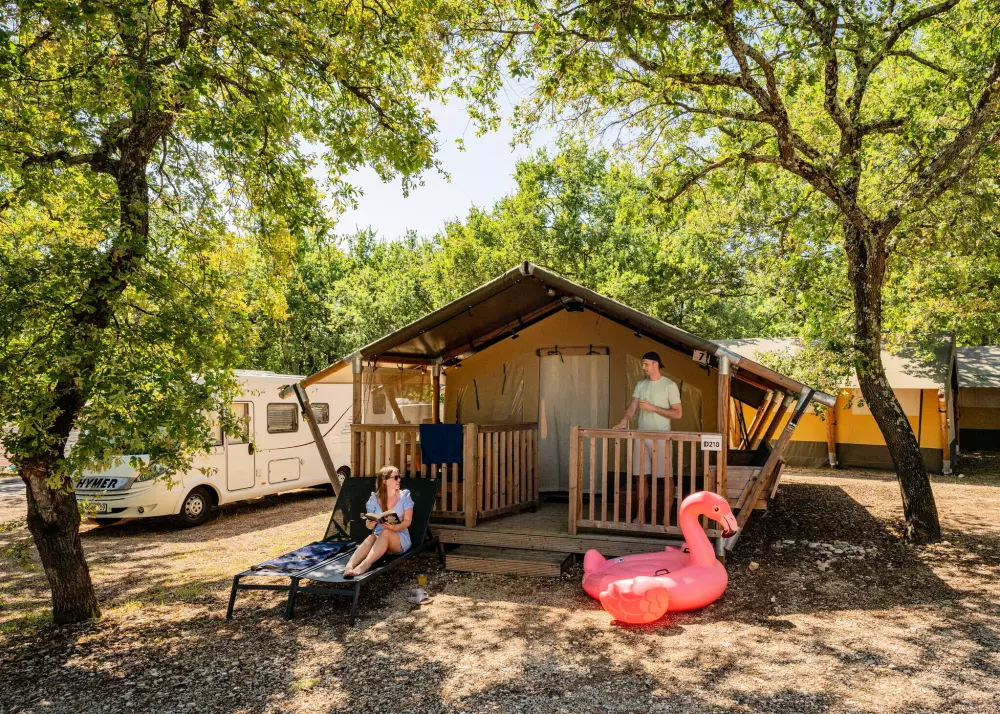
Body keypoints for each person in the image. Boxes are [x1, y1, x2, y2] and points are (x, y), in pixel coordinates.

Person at [612, 352, 682, 523]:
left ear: (655, 364)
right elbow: (632, 406)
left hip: (662, 437)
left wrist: (654, 408)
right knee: (640, 476)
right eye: (643, 364)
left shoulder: (669, 385)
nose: (643, 367)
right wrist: (623, 421)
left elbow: (678, 414)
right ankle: (641, 516)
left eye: (646, 364)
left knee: (666, 478)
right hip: (641, 436)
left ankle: (666, 519)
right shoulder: (641, 385)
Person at [343, 465, 414, 577]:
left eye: (399, 477)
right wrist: (371, 524)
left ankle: (365, 565)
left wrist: (395, 527)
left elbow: (407, 521)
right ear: (385, 481)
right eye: (396, 477)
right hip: (379, 541)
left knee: (385, 532)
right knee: (371, 537)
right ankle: (349, 566)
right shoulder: (374, 499)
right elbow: (368, 526)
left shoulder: (404, 496)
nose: (399, 480)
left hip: (399, 539)